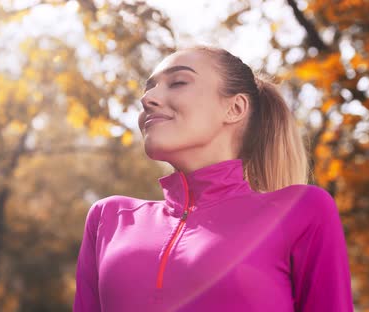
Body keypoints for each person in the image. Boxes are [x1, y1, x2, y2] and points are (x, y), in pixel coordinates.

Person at [73, 45, 354, 311]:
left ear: (235, 108)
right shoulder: (109, 218)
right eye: (149, 88)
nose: (148, 99)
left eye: (178, 82)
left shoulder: (302, 210)